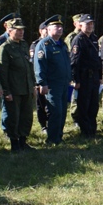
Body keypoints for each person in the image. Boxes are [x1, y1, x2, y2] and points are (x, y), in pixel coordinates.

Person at [0, 18, 36, 152]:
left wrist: (33, 85)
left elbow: (29, 67)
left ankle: (23, 141)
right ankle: (14, 143)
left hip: (26, 87)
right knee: (14, 117)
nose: (21, 32)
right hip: (14, 89)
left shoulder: (24, 45)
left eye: (22, 30)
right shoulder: (5, 48)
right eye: (18, 30)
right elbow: (2, 72)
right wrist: (6, 91)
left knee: (27, 117)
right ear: (9, 30)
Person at [34, 16, 72, 145]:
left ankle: (58, 137)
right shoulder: (44, 44)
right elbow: (39, 65)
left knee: (62, 112)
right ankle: (52, 139)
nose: (60, 29)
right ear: (48, 29)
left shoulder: (62, 44)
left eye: (61, 27)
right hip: (52, 84)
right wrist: (42, 83)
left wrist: (69, 78)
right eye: (56, 27)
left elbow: (67, 63)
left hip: (63, 83)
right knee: (55, 111)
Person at [69, 14, 101, 138]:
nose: (90, 26)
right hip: (84, 77)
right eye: (87, 24)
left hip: (94, 76)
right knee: (84, 104)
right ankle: (85, 130)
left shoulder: (93, 38)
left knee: (94, 104)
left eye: (91, 24)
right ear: (80, 25)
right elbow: (74, 62)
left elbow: (98, 59)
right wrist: (75, 79)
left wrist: (99, 76)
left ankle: (92, 128)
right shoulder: (78, 40)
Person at [0, 13, 18, 136]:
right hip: (5, 76)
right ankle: (6, 128)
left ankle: (15, 128)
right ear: (6, 25)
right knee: (6, 104)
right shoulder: (0, 40)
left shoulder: (19, 39)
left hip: (17, 78)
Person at [30, 23, 50, 136]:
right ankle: (43, 125)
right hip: (40, 79)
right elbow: (34, 63)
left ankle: (51, 123)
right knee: (41, 103)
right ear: (40, 31)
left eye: (48, 29)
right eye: (44, 29)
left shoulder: (54, 43)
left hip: (51, 79)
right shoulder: (35, 45)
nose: (46, 31)